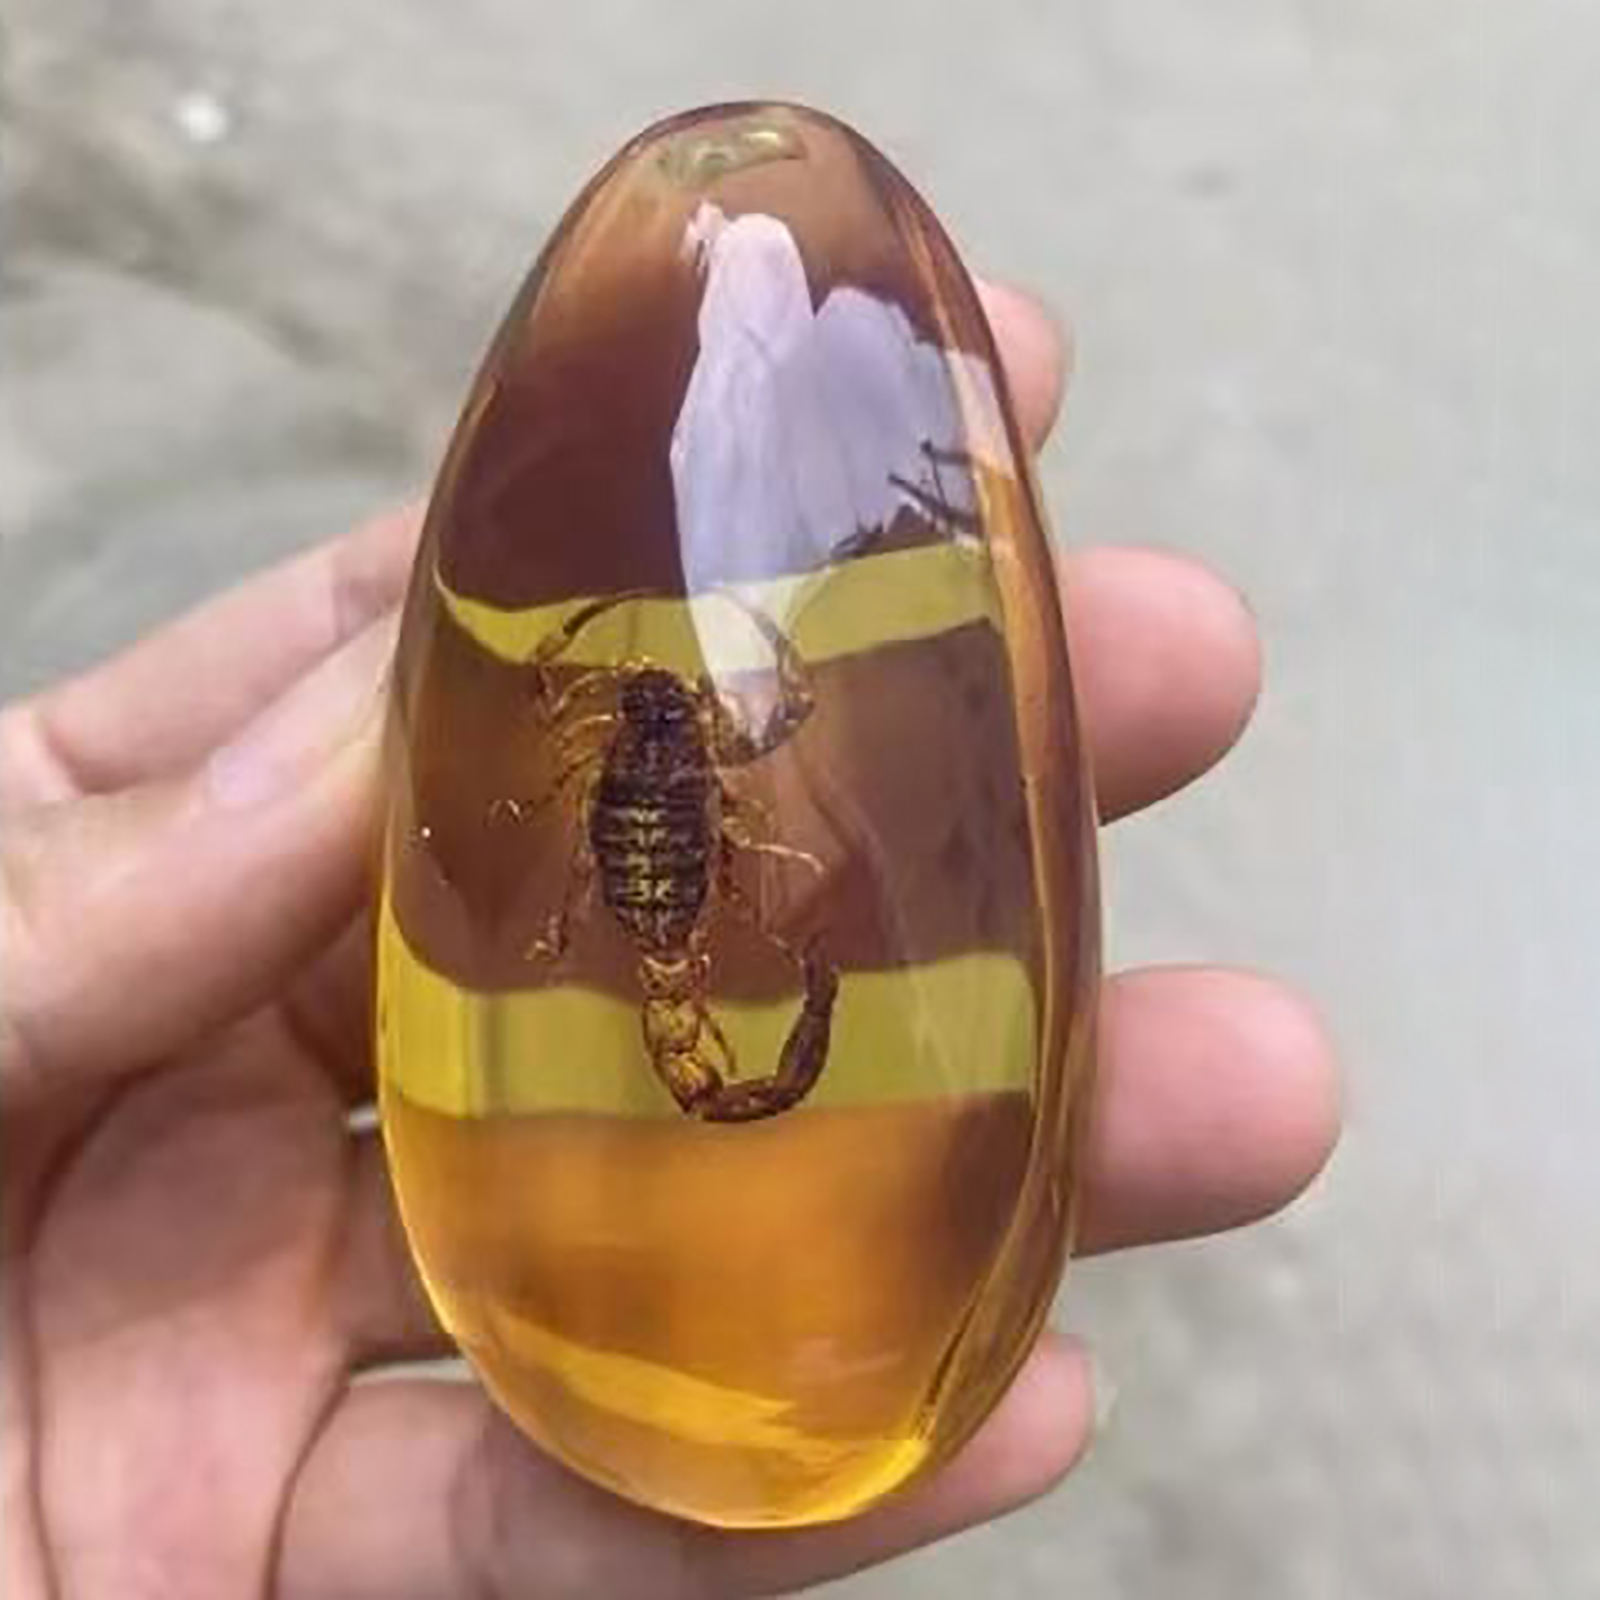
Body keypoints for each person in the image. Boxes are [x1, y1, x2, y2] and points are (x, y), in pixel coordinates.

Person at [0, 284, 1339, 1598]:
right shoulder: (666, 736)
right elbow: (700, 739)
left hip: (667, 873)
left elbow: (677, 733)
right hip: (660, 877)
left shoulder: (635, 734)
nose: (650, 695)